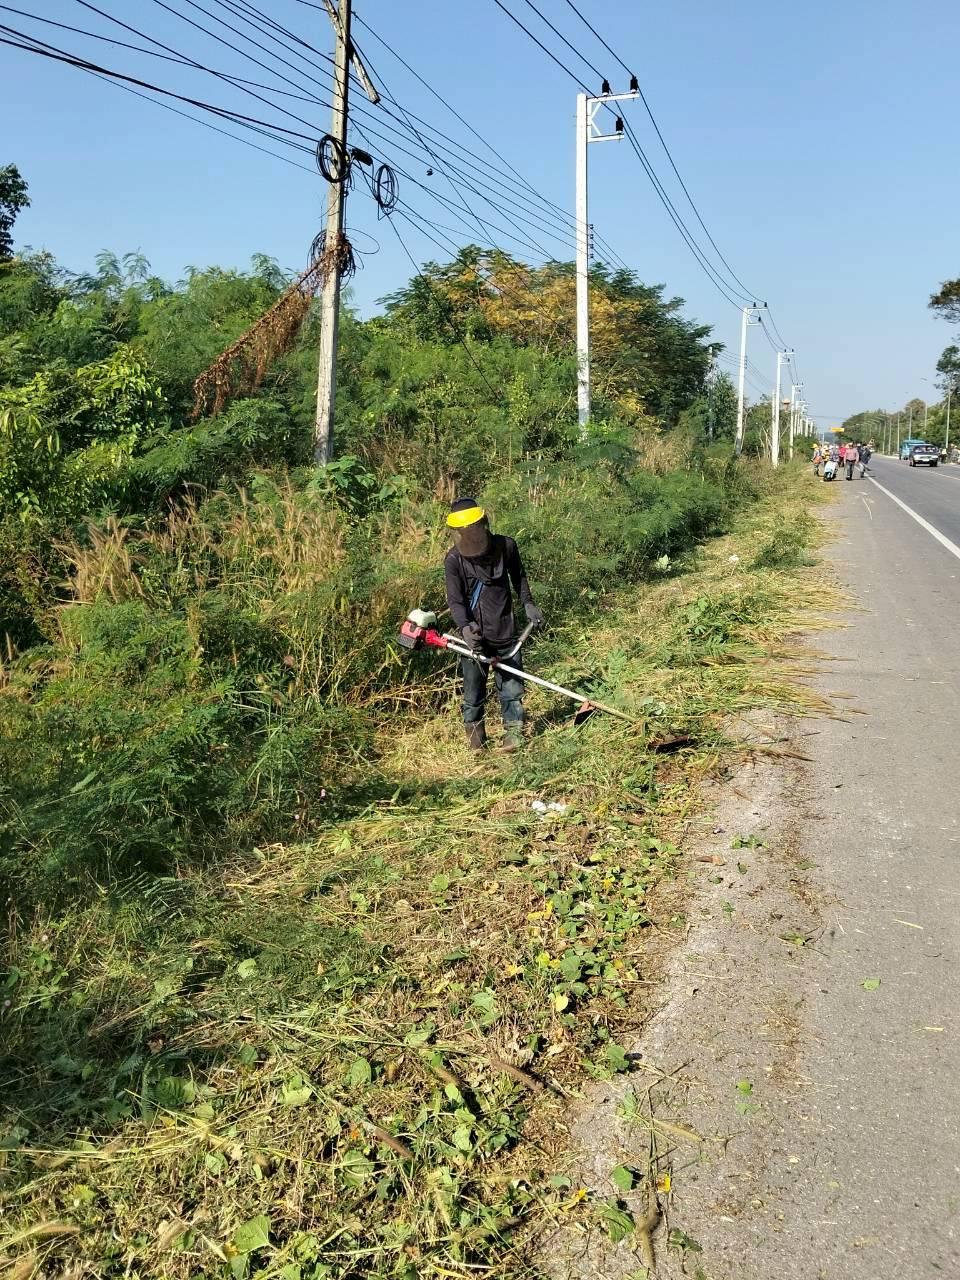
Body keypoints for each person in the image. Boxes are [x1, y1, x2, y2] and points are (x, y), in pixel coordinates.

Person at [444, 498, 543, 752]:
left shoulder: (505, 546)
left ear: (483, 524)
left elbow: (519, 578)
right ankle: (476, 742)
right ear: (457, 532)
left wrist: (528, 604)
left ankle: (513, 736)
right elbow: (455, 601)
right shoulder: (454, 560)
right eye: (463, 532)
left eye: (473, 529)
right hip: (474, 638)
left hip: (505, 631)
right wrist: (465, 628)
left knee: (511, 688)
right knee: (473, 692)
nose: (469, 535)